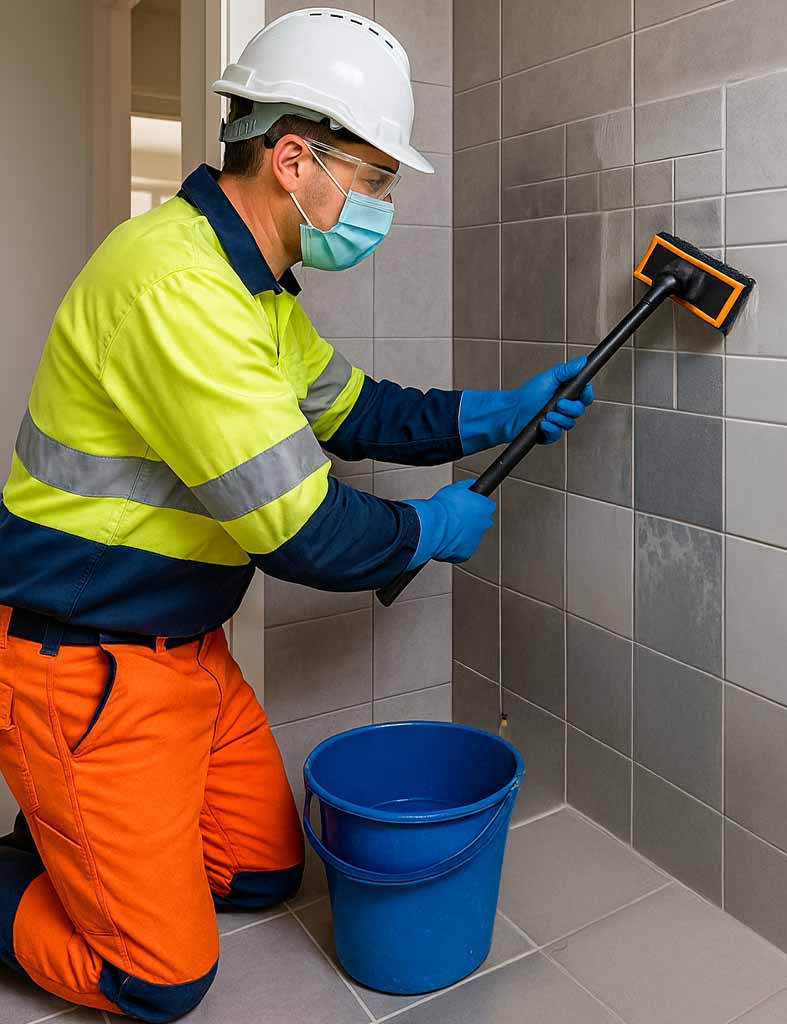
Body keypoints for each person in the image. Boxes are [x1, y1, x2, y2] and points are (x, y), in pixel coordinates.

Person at [0, 9, 592, 1020]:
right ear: (291, 159)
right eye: (373, 181)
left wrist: (497, 413)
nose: (381, 207)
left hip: (188, 651)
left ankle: (82, 830)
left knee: (268, 873)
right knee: (161, 976)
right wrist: (425, 532)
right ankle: (35, 856)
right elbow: (299, 530)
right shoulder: (178, 287)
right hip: (86, 666)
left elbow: (359, 411)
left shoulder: (260, 292)